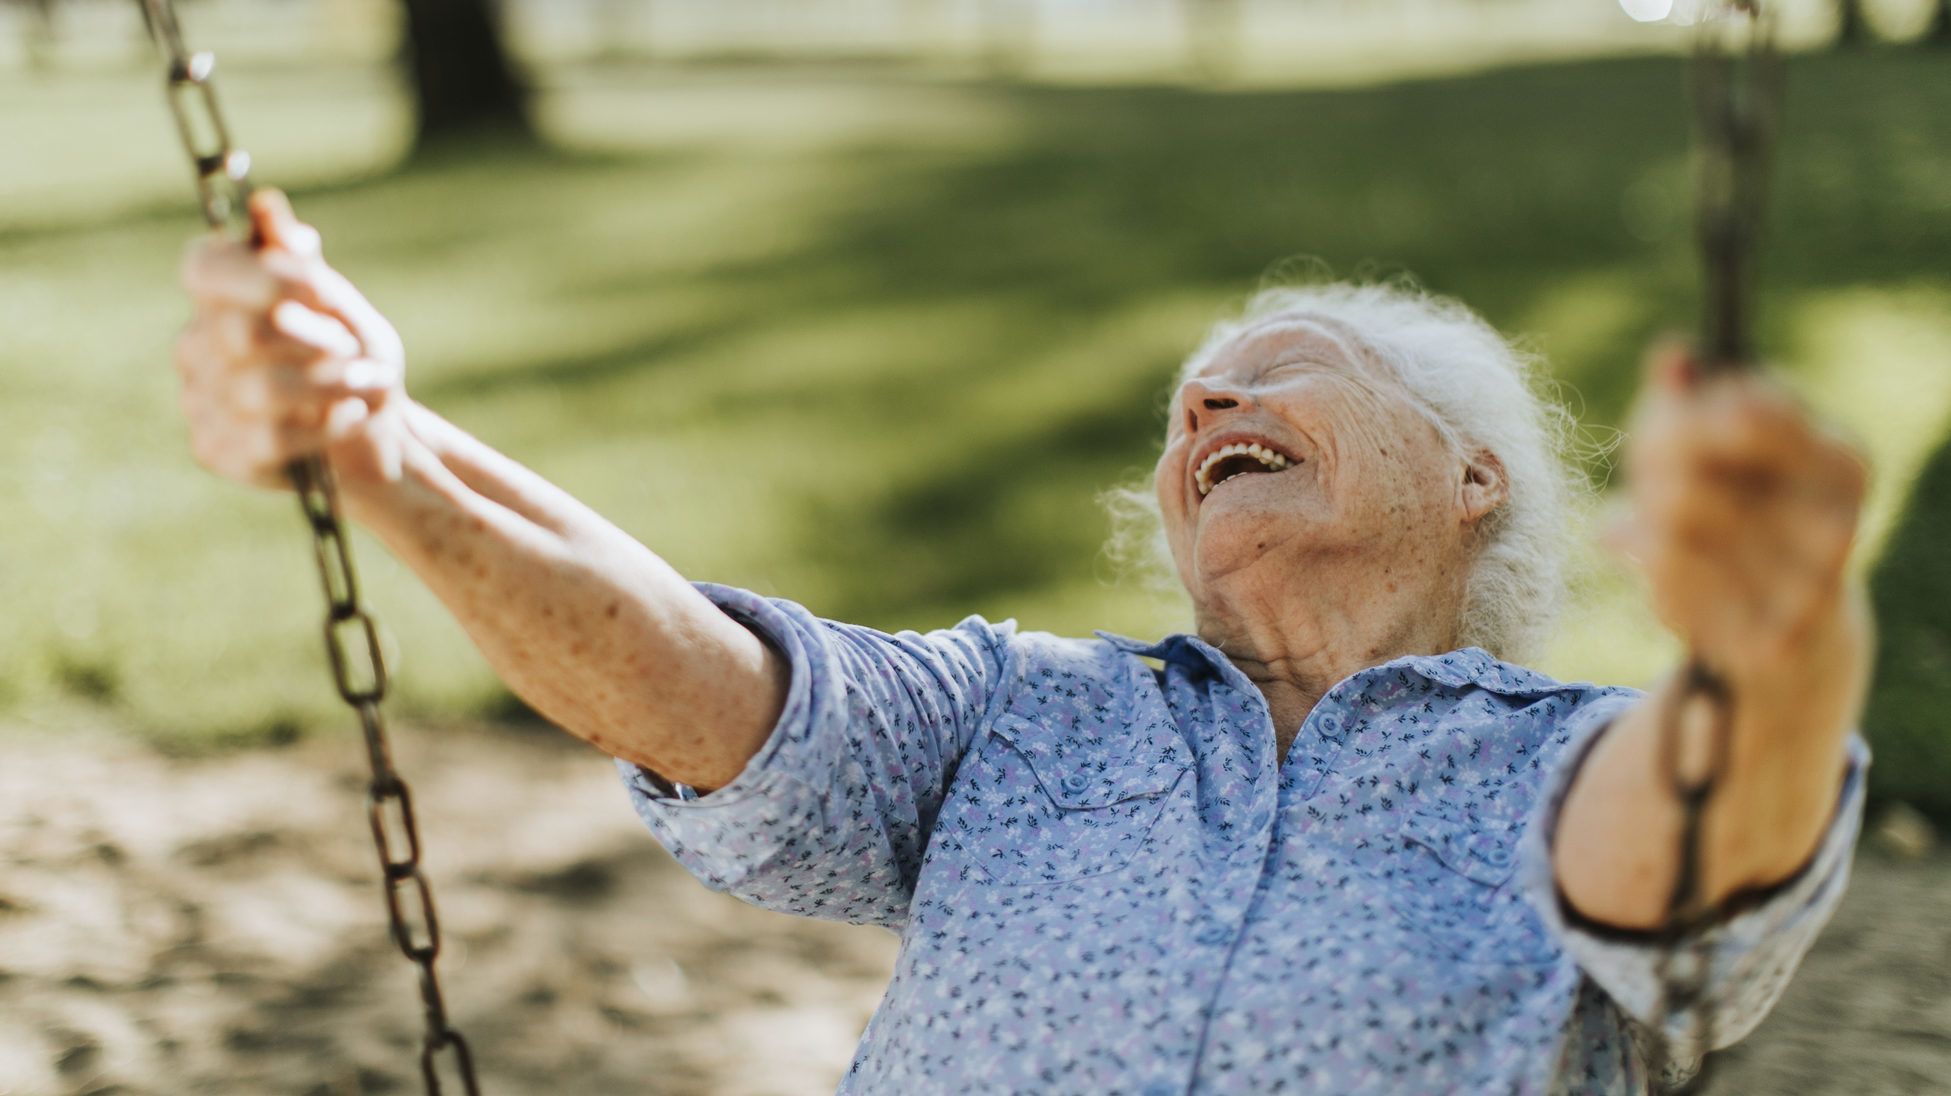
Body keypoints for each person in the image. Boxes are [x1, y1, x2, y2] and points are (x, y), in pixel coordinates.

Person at [174, 191, 1872, 1094]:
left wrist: (1778, 640)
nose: (1212, 396)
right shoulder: (1025, 712)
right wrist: (379, 442)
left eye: (1287, 367)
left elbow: (1700, 839)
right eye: (1190, 401)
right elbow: (710, 687)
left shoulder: (1559, 759)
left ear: (1473, 476)